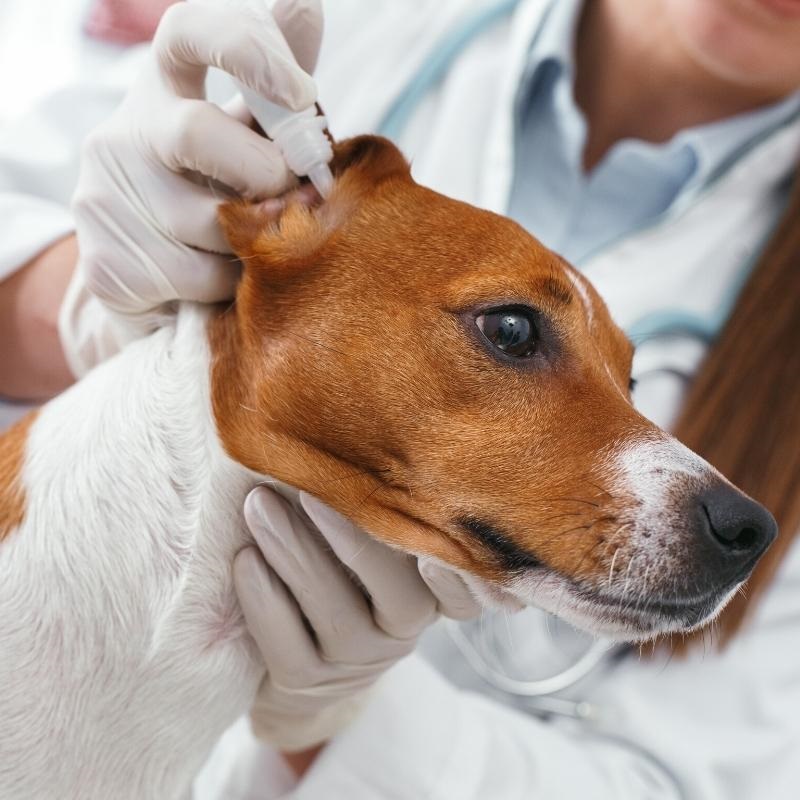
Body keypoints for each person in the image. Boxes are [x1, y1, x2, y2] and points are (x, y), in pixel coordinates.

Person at [1, 0, 799, 797]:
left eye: (621, 387)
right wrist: (86, 300)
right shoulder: (326, 30)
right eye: (514, 334)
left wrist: (343, 715)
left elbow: (678, 780)